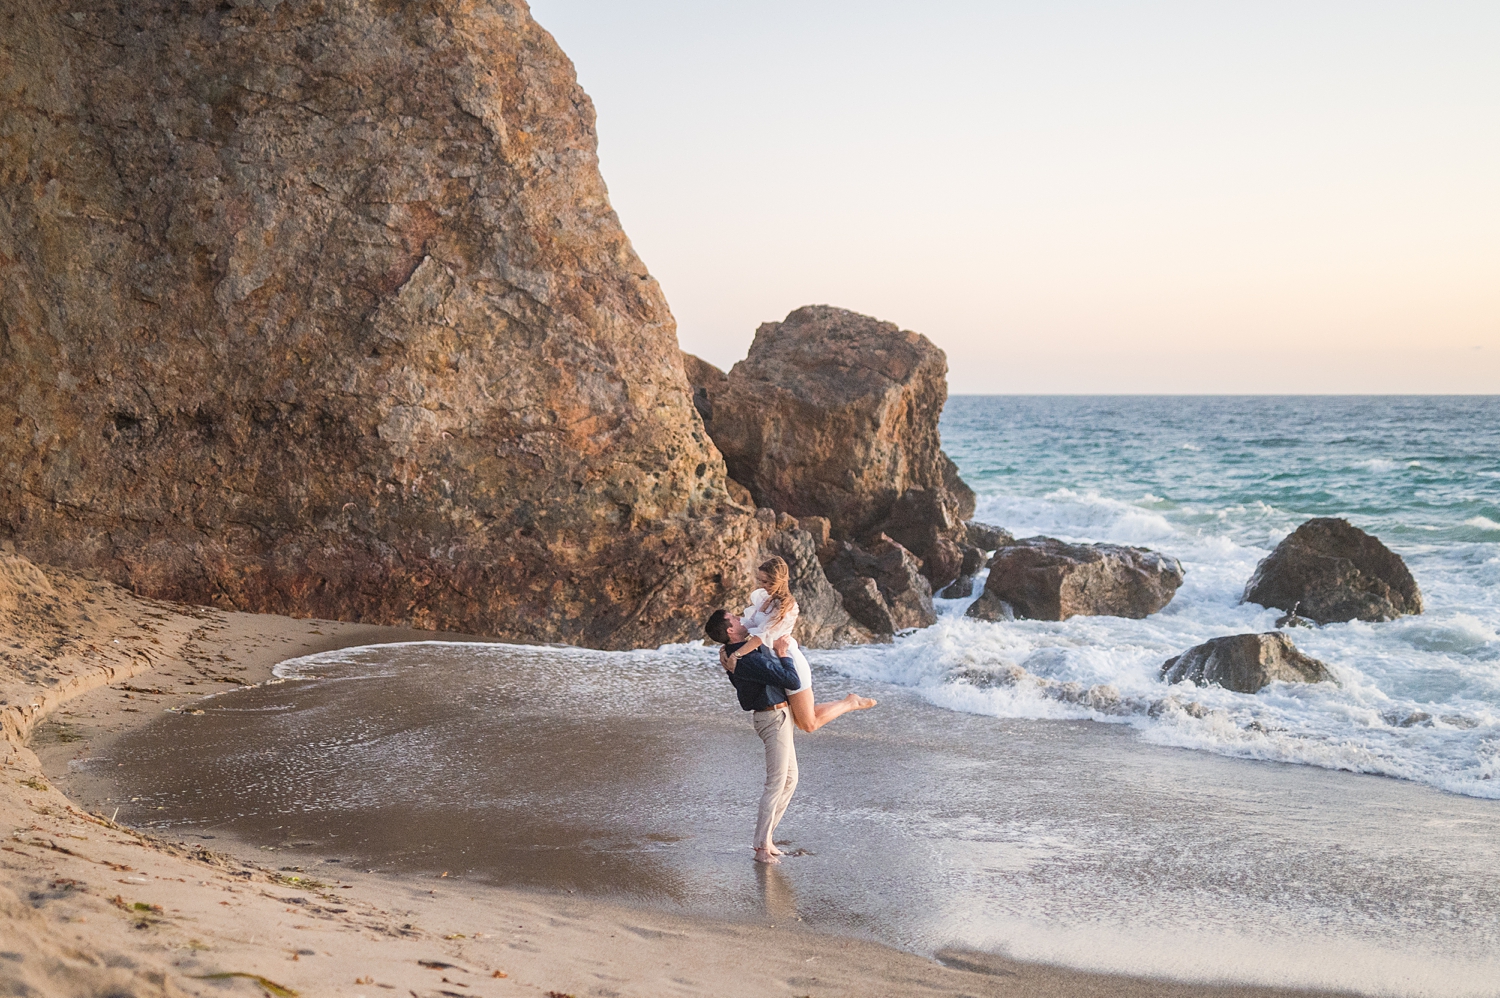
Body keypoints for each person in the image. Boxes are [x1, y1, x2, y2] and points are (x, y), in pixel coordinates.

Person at [724, 556, 877, 733]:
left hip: (790, 663)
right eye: (760, 580)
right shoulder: (765, 600)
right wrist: (726, 646)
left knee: (809, 725)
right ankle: (850, 702)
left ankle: (850, 702)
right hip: (775, 664)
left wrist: (736, 655)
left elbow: (761, 636)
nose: (761, 585)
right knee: (801, 719)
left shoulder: (787, 606)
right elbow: (748, 625)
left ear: (777, 580)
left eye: (765, 581)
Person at [704, 607, 803, 864]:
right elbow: (792, 680)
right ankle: (761, 848)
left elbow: (761, 640)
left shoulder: (734, 654)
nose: (740, 618)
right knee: (776, 782)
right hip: (773, 718)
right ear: (730, 630)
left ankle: (767, 838)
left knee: (790, 779)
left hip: (774, 716)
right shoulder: (745, 659)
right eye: (735, 619)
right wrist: (783, 654)